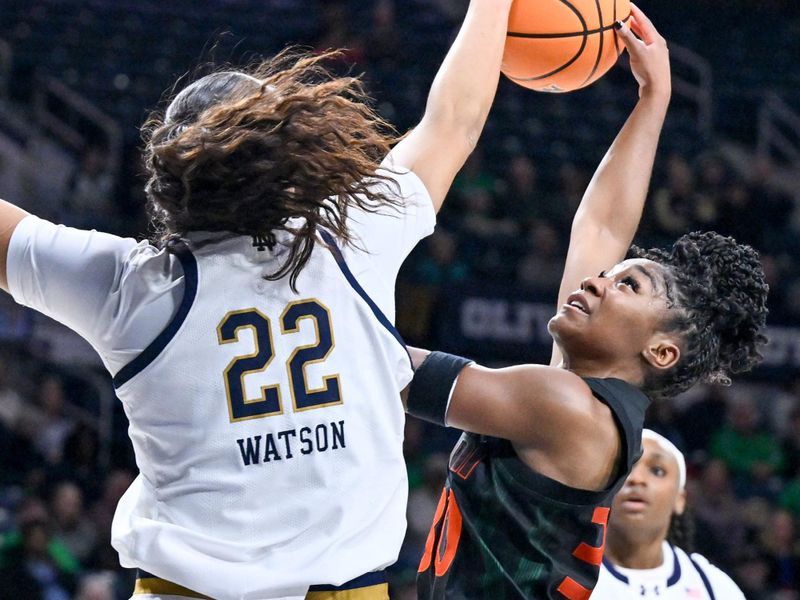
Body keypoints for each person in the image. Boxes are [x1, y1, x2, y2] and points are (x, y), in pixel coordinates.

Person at [0, 1, 515, 598]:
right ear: (290, 154)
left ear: (167, 171)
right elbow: (455, 119)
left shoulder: (130, 286)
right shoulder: (356, 234)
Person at [405, 6, 769, 599]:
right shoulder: (584, 400)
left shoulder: (565, 407)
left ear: (661, 350)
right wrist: (654, 99)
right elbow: (599, 228)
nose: (598, 280)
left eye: (627, 285)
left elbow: (386, 369)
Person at [590, 429, 746, 599]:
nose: (636, 478)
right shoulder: (566, 572)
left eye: (657, 471)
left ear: (680, 500)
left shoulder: (715, 588)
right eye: (625, 467)